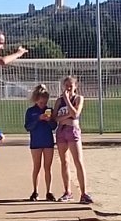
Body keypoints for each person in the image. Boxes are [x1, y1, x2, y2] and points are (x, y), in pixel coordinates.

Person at [54, 76, 92, 204]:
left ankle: (84, 193)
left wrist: (67, 100)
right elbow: (55, 118)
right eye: (66, 85)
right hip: (61, 132)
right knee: (64, 162)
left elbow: (76, 114)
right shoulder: (59, 101)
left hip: (73, 131)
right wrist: (67, 115)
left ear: (76, 86)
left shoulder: (78, 98)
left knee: (78, 161)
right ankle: (67, 191)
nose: (68, 88)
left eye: (71, 85)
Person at [24, 84, 57, 201]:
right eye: (41, 102)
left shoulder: (49, 110)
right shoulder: (31, 111)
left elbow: (54, 126)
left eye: (45, 102)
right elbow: (27, 127)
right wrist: (38, 119)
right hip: (36, 142)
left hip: (48, 141)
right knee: (36, 167)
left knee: (47, 167)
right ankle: (35, 191)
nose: (43, 105)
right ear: (36, 100)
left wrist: (49, 120)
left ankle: (48, 191)